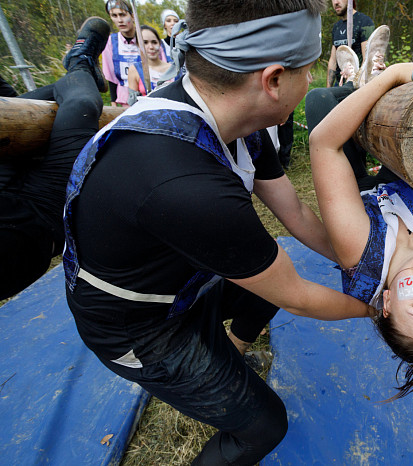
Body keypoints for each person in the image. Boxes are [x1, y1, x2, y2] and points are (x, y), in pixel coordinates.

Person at [63, 1, 372, 463]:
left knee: (264, 278)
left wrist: (370, 260)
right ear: (272, 80)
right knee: (264, 426)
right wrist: (379, 310)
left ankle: (231, 348)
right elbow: (298, 297)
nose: (311, 82)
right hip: (137, 326)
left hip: (178, 279)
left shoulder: (237, 121)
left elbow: (298, 215)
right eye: (307, 71)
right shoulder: (185, 186)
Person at [309, 60, 413, 400]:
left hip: (360, 203)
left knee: (320, 102)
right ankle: (371, 85)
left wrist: (393, 75)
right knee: (410, 130)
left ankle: (366, 80)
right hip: (405, 188)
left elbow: (323, 144)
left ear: (386, 302)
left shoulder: (359, 253)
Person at [0, 17, 110, 300]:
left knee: (49, 101)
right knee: (81, 105)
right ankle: (80, 61)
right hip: (37, 214)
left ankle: (80, 70)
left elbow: (10, 101)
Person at [308, 25, 390, 186]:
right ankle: (368, 81)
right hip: (380, 189)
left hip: (351, 183)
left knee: (317, 97)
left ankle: (353, 82)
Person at [326, 0, 374, 87]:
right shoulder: (337, 27)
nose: (336, 2)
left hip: (357, 84)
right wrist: (328, 89)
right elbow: (333, 61)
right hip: (339, 83)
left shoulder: (364, 21)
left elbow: (366, 59)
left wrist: (359, 84)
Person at [127, 25, 174, 106]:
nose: (151, 47)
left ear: (159, 44)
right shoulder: (134, 70)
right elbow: (133, 103)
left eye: (154, 42)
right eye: (145, 42)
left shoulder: (173, 69)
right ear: (138, 45)